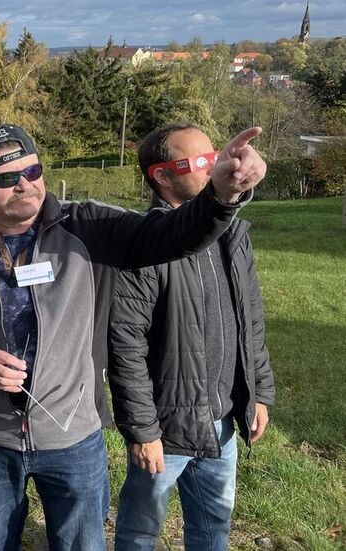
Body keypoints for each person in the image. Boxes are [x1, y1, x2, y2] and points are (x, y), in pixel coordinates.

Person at [0, 123, 268, 550]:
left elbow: (171, 235)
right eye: (7, 179)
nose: (25, 185)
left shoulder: (86, 224)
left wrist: (222, 195)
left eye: (32, 171)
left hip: (72, 437)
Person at [108, 123, 275, 551]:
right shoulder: (142, 245)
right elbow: (126, 347)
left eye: (213, 155)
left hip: (222, 421)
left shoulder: (233, 233)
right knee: (140, 532)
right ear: (161, 176)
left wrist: (258, 393)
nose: (213, 166)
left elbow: (249, 319)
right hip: (167, 428)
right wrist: (143, 431)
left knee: (213, 528)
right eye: (198, 162)